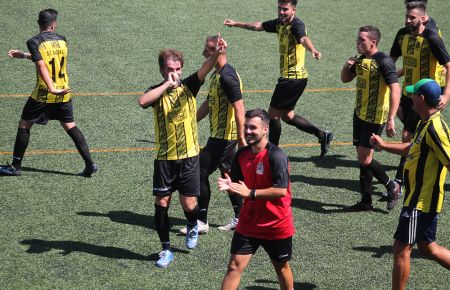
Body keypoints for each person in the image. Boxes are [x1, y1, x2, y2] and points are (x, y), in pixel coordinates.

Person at [138, 35, 226, 268]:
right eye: (169, 69)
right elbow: (142, 101)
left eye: (177, 69)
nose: (174, 73)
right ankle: (165, 250)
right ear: (162, 70)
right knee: (162, 203)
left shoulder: (189, 86)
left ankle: (193, 225)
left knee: (188, 205)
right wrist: (167, 84)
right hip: (165, 159)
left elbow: (204, 69)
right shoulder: (157, 90)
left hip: (188, 157)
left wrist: (217, 53)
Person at [224, 0, 333, 157]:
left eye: (285, 9)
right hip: (295, 79)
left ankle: (271, 151)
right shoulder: (279, 23)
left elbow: (303, 39)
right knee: (287, 116)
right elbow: (258, 26)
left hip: (292, 79)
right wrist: (236, 24)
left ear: (293, 10)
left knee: (273, 114)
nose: (281, 12)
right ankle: (322, 135)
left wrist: (313, 50)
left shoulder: (296, 25)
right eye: (280, 8)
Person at [370, 79, 450, 290]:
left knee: (401, 249)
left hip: (420, 201)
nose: (410, 97)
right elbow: (412, 148)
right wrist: (384, 145)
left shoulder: (435, 129)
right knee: (428, 248)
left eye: (414, 94)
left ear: (421, 99)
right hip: (418, 198)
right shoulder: (426, 122)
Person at [0, 9, 97, 177]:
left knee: (24, 124)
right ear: (53, 25)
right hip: (64, 91)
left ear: (39, 24)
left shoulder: (34, 41)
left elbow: (41, 64)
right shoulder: (63, 40)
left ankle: (15, 167)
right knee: (70, 125)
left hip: (45, 93)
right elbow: (47, 58)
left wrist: (51, 88)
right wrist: (23, 56)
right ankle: (90, 164)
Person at [218, 109, 295, 290]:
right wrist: (231, 186)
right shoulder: (242, 154)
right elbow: (239, 186)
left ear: (265, 129)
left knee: (281, 268)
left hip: (276, 224)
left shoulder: (276, 155)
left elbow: (281, 190)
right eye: (246, 127)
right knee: (234, 266)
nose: (248, 131)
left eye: (253, 127)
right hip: (249, 221)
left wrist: (250, 193)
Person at [179, 35, 245, 235]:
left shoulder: (227, 76)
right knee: (228, 173)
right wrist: (191, 121)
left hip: (225, 137)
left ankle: (201, 220)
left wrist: (242, 139)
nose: (203, 53)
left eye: (207, 50)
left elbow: (240, 107)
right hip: (219, 134)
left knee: (199, 171)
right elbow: (209, 102)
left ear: (219, 51)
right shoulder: (216, 75)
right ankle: (240, 217)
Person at [340, 26, 402, 211]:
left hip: (374, 117)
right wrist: (347, 65)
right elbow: (345, 79)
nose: (358, 43)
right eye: (357, 39)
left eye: (362, 40)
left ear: (373, 42)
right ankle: (366, 200)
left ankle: (393, 186)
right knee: (363, 157)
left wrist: (391, 117)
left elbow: (395, 89)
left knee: (365, 159)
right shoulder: (360, 60)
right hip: (359, 113)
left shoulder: (384, 61)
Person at [389, 0, 450, 188]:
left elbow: (448, 66)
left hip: (425, 93)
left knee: (407, 133)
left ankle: (400, 180)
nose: (407, 20)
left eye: (412, 17)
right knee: (406, 123)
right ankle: (415, 162)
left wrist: (446, 95)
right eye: (406, 16)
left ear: (423, 18)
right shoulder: (402, 35)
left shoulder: (431, 37)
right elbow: (392, 61)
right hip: (408, 90)